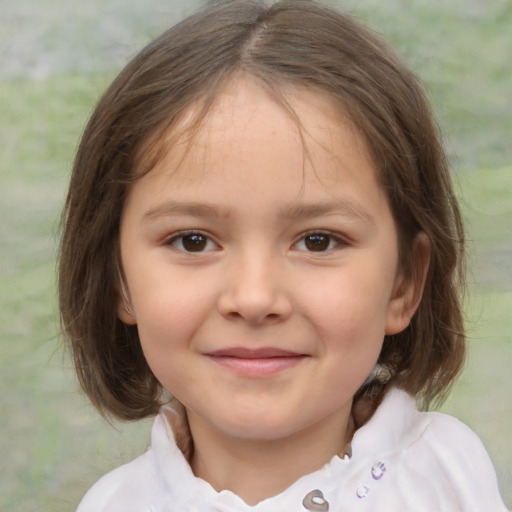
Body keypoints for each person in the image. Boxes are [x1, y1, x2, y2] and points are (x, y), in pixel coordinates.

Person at [58, 1, 508, 510]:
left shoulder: (447, 476)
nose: (254, 298)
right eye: (193, 241)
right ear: (119, 278)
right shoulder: (112, 504)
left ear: (403, 284)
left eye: (318, 241)